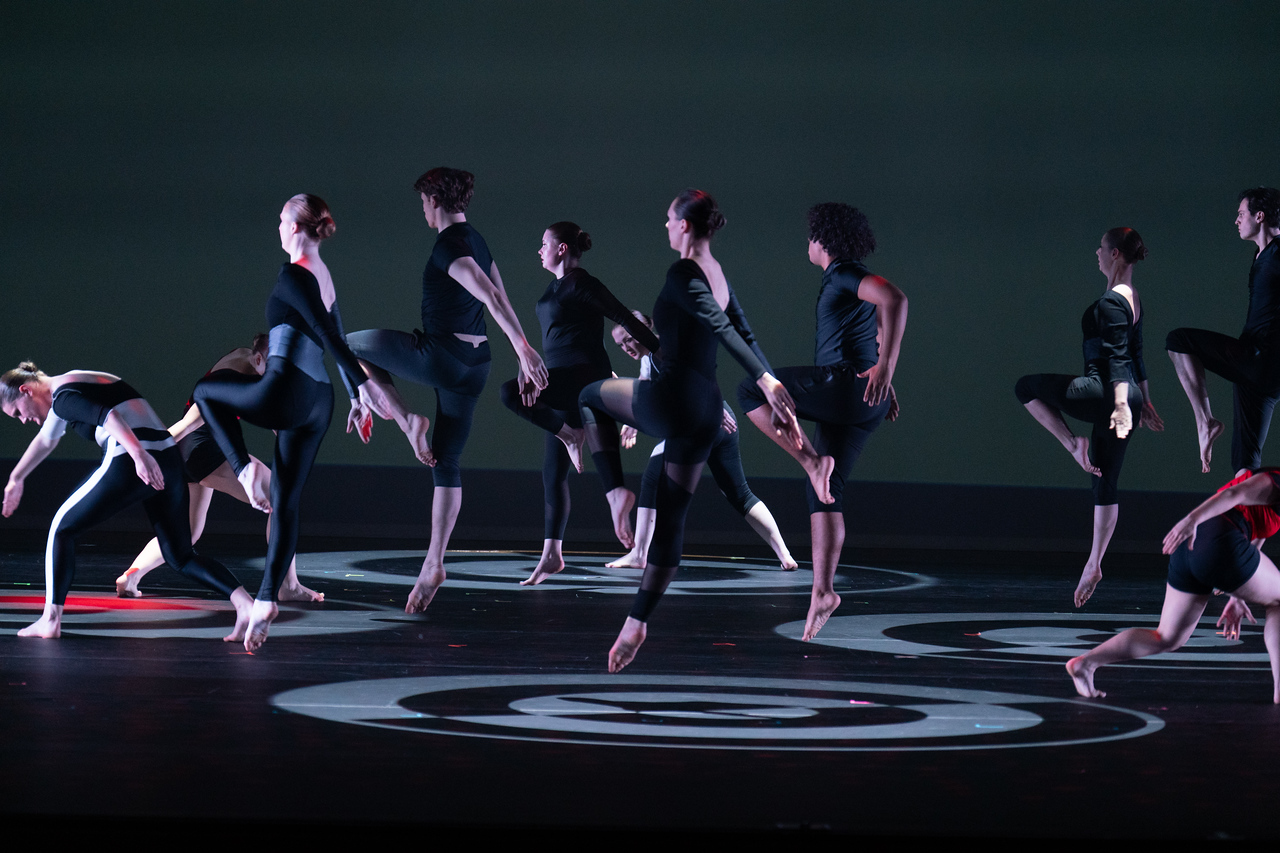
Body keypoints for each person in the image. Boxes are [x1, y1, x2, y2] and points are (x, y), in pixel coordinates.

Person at [578, 189, 808, 672]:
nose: (664, 225)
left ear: (685, 225)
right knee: (672, 518)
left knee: (586, 396)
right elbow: (743, 332)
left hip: (669, 399)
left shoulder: (683, 272)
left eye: (667, 219)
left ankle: (614, 493)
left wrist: (767, 381)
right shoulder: (719, 275)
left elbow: (725, 332)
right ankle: (636, 621)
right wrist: (767, 378)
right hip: (706, 410)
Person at [193, 193, 401, 651]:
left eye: (281, 218)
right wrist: (352, 394)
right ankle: (268, 597)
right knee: (286, 500)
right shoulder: (324, 276)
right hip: (318, 402)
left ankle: (244, 471)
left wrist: (364, 389)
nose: (278, 225)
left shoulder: (294, 273)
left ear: (294, 227)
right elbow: (337, 334)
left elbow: (331, 336)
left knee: (206, 391)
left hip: (285, 392)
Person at [737, 203, 906, 641]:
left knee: (753, 389)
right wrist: (884, 376)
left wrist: (886, 367)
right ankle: (823, 591)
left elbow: (895, 299)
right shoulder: (846, 281)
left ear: (825, 241)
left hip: (847, 386)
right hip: (861, 400)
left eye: (811, 236)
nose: (807, 244)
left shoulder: (845, 273)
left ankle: (812, 462)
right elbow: (878, 324)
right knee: (826, 494)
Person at [2, 363, 254, 639]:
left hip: (133, 458)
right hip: (169, 458)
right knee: (180, 556)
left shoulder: (62, 397)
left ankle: (50, 620)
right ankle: (246, 604)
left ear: (26, 391)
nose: (23, 420)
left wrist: (138, 456)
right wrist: (16, 479)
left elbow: (108, 416)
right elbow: (46, 440)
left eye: (17, 413)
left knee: (61, 529)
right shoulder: (74, 383)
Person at [498, 222, 658, 586]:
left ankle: (587, 457)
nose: (538, 250)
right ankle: (551, 555)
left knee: (508, 394)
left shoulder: (581, 283)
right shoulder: (554, 287)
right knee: (552, 473)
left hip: (584, 379)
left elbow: (622, 316)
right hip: (556, 382)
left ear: (562, 248)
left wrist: (663, 355)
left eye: (544, 243)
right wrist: (527, 367)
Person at [1015, 227, 1163, 608]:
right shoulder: (1133, 299)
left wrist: (1117, 403)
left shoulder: (1113, 302)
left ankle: (1071, 443)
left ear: (1115, 254)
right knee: (1105, 481)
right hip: (1126, 396)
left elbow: (1117, 357)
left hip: (1105, 392)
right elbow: (1138, 354)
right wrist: (1142, 402)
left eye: (1100, 247)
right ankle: (1094, 562)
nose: (1095, 253)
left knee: (1026, 388)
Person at [115, 336, 322, 602]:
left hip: (197, 451)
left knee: (188, 533)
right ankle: (287, 585)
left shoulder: (248, 358)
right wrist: (139, 455)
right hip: (199, 449)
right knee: (279, 497)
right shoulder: (226, 382)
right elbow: (185, 426)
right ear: (258, 360)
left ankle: (132, 575)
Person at [1067, 468, 1280, 703]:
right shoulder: (1275, 480)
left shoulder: (1270, 504)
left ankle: (1085, 664)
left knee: (1167, 637)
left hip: (1191, 548)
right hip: (1213, 538)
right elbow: (1234, 494)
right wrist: (1190, 520)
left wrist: (1238, 596)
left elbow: (1255, 541)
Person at [608, 317, 797, 571]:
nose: (627, 347)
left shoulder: (665, 350)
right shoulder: (649, 358)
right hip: (715, 426)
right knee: (739, 494)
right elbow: (646, 387)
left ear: (646, 328)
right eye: (621, 345)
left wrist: (714, 406)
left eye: (629, 339)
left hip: (709, 421)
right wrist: (631, 419)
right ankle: (785, 556)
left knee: (654, 474)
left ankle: (640, 554)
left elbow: (698, 372)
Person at [1167, 188, 1280, 474]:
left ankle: (1205, 421)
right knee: (1244, 465)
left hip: (1262, 357)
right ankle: (1249, 516)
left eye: (1241, 214)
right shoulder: (1260, 255)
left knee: (1179, 340)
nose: (1236, 220)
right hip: (1256, 373)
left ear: (1260, 215)